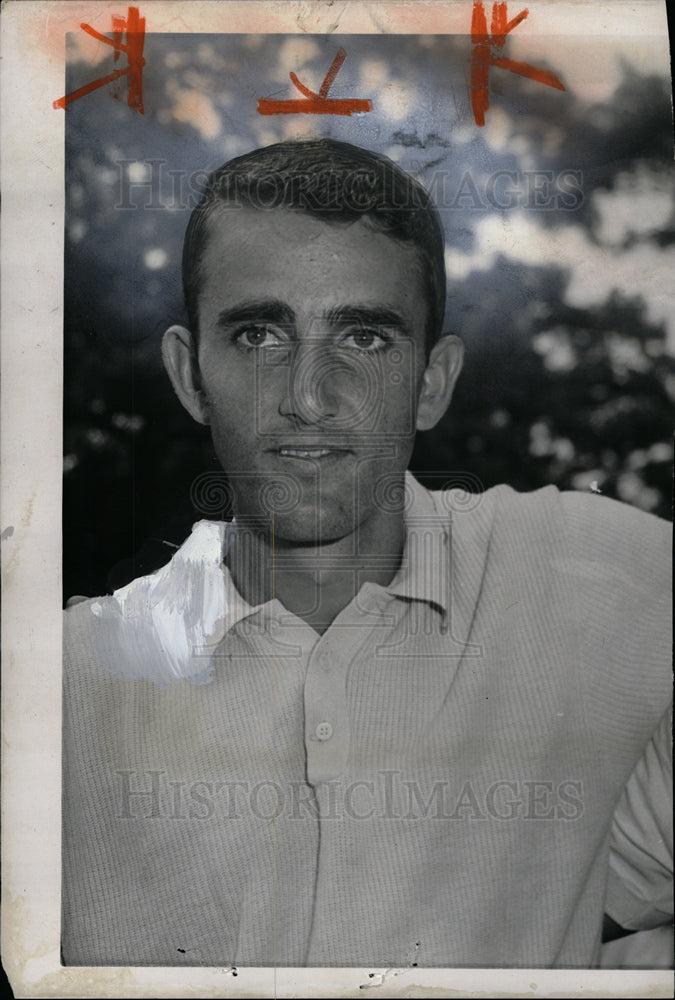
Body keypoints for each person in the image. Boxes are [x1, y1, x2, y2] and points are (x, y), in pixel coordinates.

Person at [62, 139, 672, 968]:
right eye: (256, 335)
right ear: (188, 372)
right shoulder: (59, 688)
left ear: (432, 381)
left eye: (365, 338)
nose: (308, 397)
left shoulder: (585, 575)